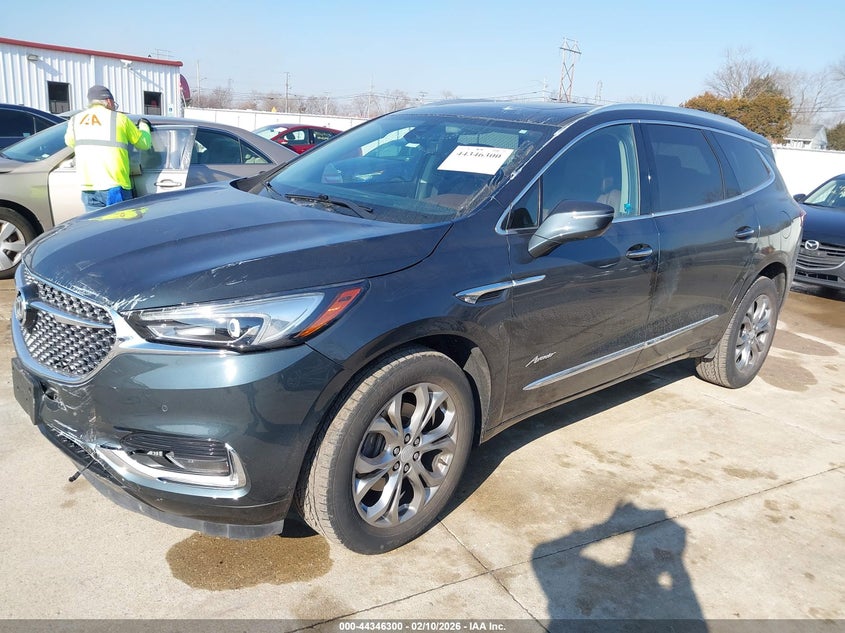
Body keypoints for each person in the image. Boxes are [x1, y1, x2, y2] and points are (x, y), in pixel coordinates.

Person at [65, 85, 152, 212]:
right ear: (109, 101)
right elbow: (144, 143)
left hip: (88, 188)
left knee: (99, 230)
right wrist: (144, 125)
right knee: (118, 228)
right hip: (115, 186)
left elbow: (70, 142)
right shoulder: (119, 118)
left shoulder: (75, 120)